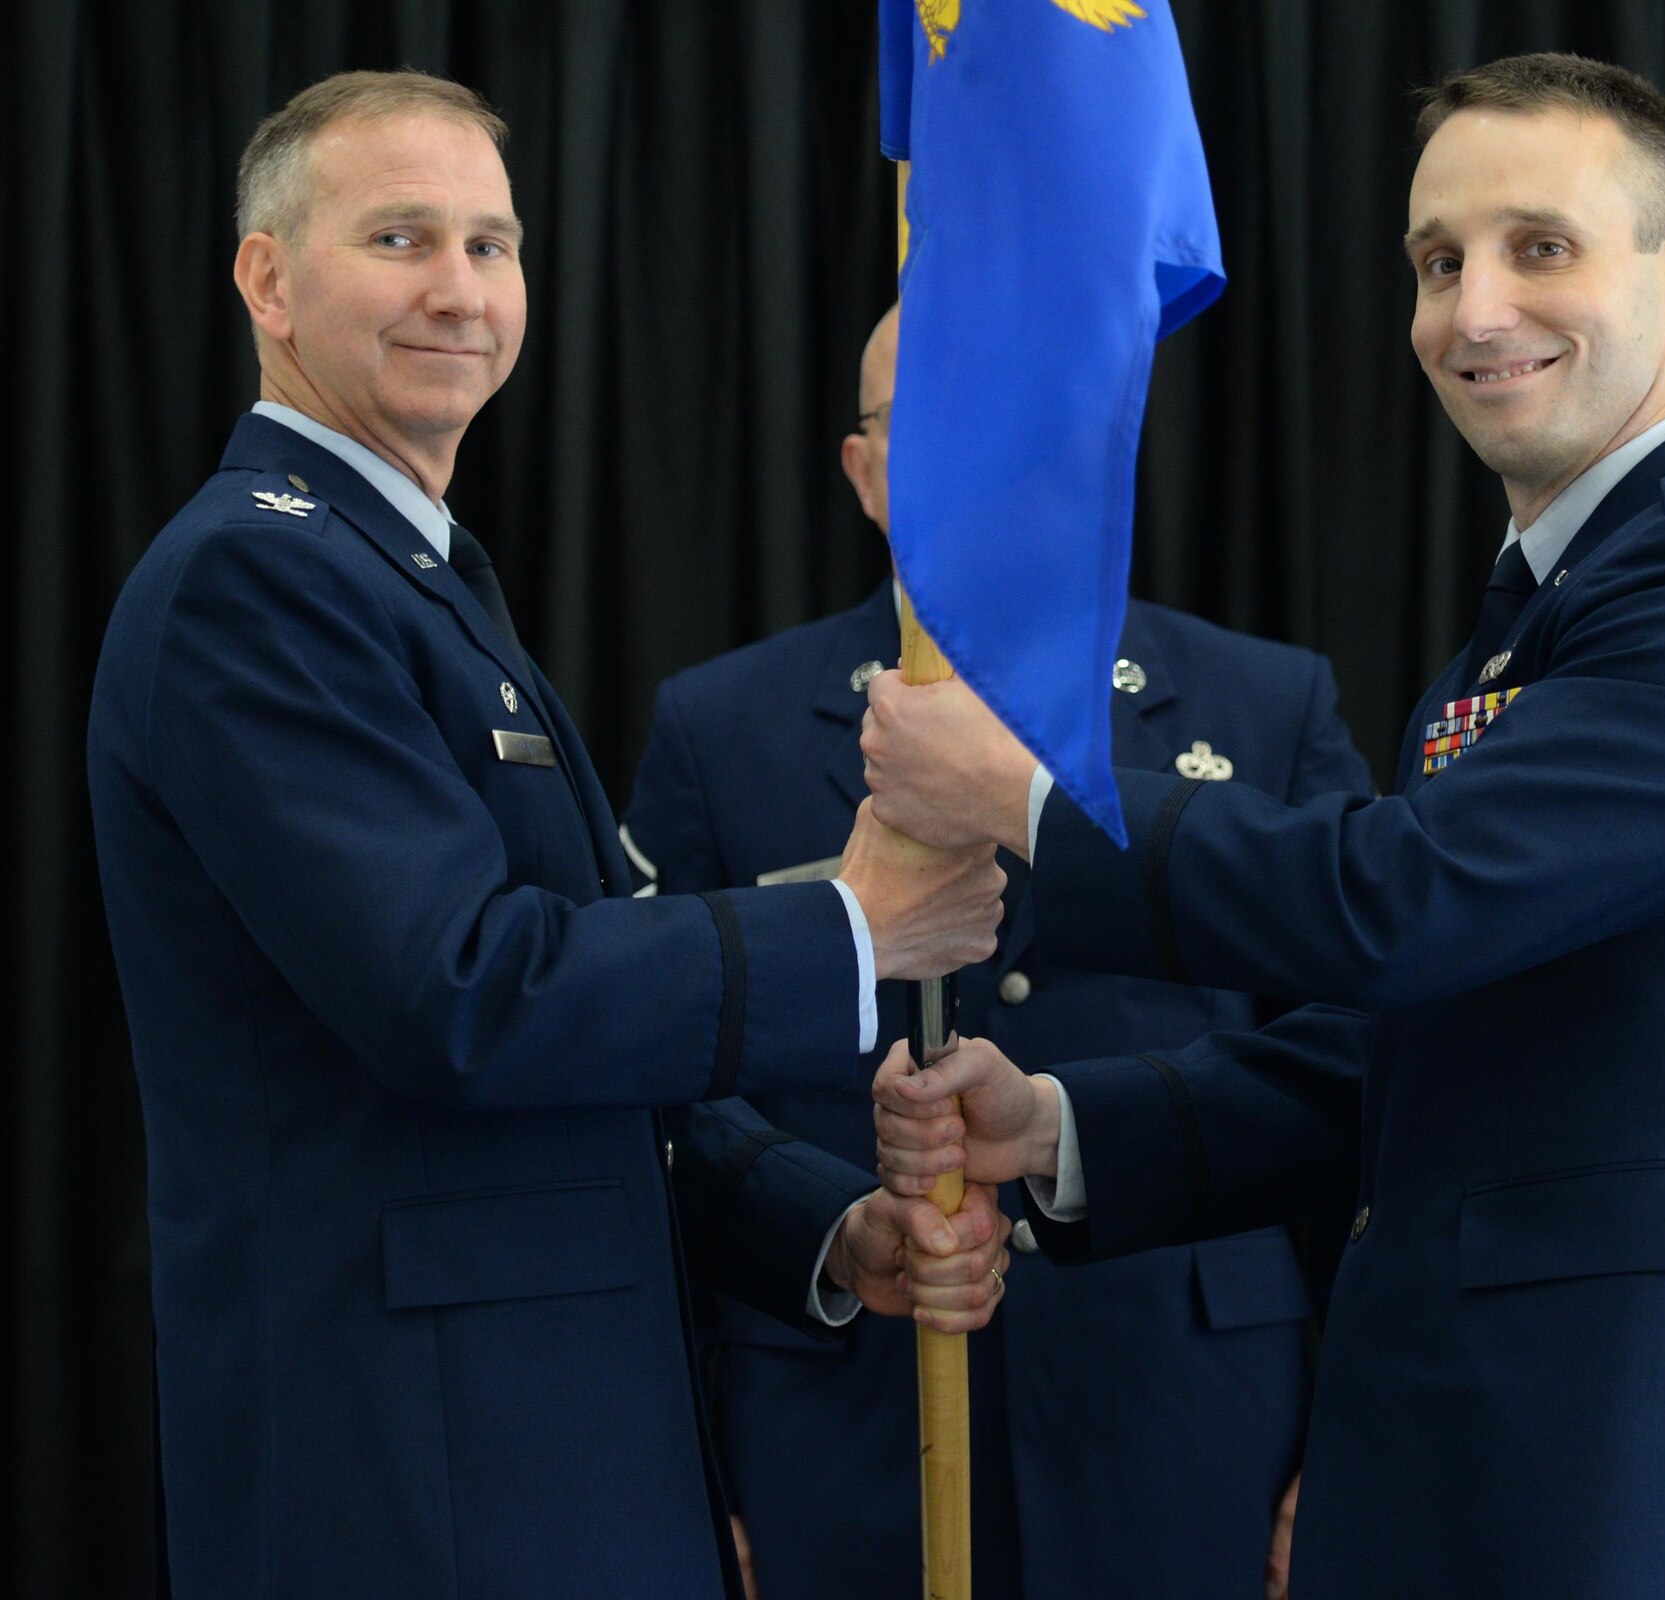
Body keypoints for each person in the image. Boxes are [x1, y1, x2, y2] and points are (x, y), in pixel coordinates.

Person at [865, 52, 1665, 1600]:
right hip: (1504, 1459)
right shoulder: (1545, 623)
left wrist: (1030, 801)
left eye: (1540, 246)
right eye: (1439, 262)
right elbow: (1425, 1035)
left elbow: (1406, 902)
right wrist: (1063, 1130)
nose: (1474, 310)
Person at [86, 70, 1009, 1600]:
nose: (459, 288)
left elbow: (596, 1082)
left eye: (492, 245)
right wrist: (853, 926)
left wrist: (824, 1230)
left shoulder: (419, 577)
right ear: (267, 278)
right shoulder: (257, 585)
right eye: (400, 238)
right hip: (413, 1476)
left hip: (544, 1454)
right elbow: (465, 996)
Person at [620, 300, 1376, 1600]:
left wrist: (1358, 1442)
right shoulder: (718, 729)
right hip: (834, 1447)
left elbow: (1367, 1076)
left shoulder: (1265, 706)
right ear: (862, 473)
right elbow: (658, 1109)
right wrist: (685, 1467)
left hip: (1196, 1435)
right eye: (928, 426)